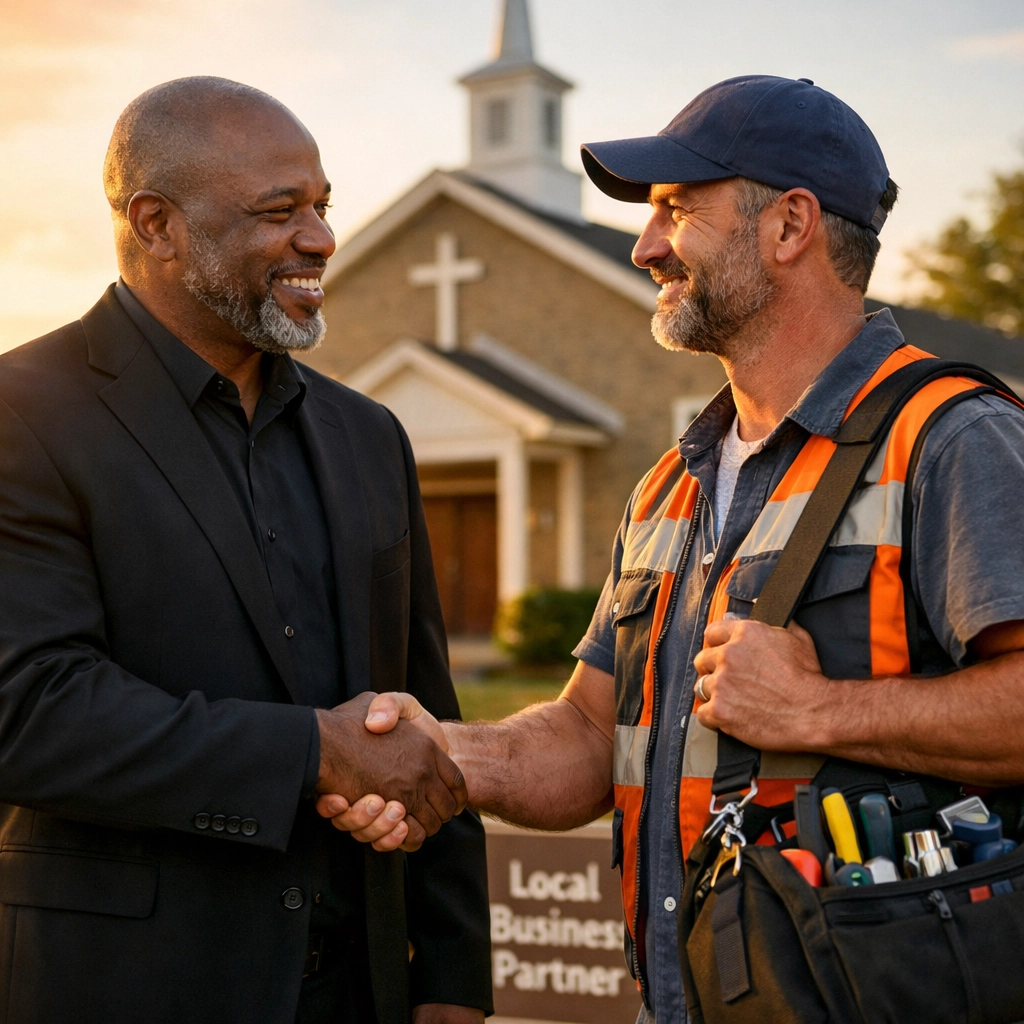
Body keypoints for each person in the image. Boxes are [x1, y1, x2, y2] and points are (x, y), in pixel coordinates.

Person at [322, 76, 1024, 1024]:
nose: (646, 245)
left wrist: (820, 709)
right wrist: (438, 750)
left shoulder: (949, 439)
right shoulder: (672, 484)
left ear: (790, 226)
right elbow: (587, 737)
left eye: (676, 211)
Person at [0, 76, 490, 1024]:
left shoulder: (370, 435)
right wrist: (313, 753)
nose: (321, 239)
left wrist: (454, 981)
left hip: (361, 997)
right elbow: (26, 711)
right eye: (280, 211)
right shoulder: (24, 413)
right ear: (157, 224)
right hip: (122, 990)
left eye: (322, 206)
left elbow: (428, 705)